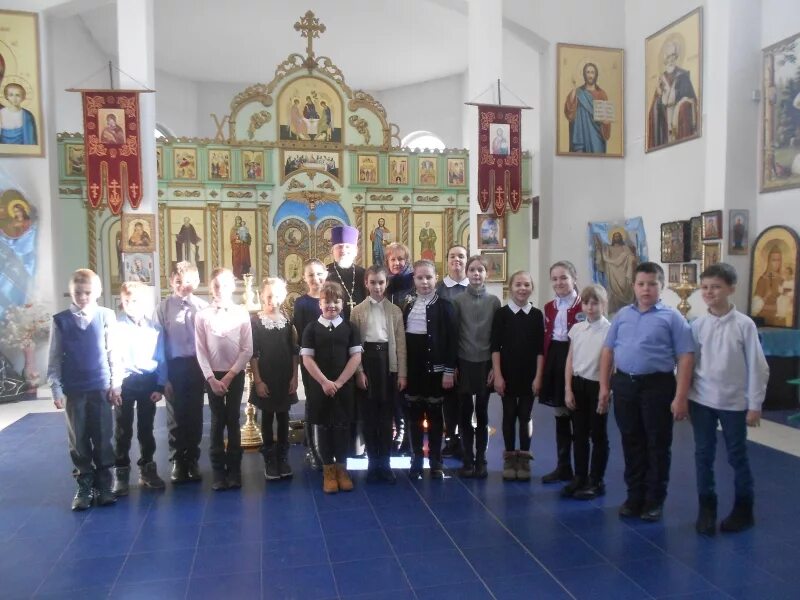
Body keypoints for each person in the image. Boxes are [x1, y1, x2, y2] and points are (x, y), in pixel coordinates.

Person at [599, 262, 695, 522]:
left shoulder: (672, 317)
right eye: (641, 284)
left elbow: (685, 357)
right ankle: (634, 496)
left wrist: (680, 396)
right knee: (631, 441)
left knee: (657, 444)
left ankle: (654, 500)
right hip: (625, 384)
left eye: (652, 284)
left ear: (661, 287)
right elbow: (608, 351)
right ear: (634, 286)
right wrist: (604, 387)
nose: (646, 289)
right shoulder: (622, 316)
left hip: (657, 386)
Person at [689, 263, 769, 535]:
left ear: (731, 289)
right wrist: (682, 395)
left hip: (734, 403)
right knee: (703, 454)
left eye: (716, 287)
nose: (709, 292)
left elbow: (758, 366)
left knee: (737, 456)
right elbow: (689, 363)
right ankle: (707, 508)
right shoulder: (698, 325)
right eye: (705, 287)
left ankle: (744, 509)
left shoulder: (744, 325)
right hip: (701, 400)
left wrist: (754, 404)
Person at [47, 269, 123, 510]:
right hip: (74, 389)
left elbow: (114, 353)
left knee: (102, 436)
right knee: (78, 439)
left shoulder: (106, 316)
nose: (83, 297)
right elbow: (55, 358)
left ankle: (104, 483)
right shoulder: (60, 320)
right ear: (71, 292)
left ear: (98, 293)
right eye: (78, 292)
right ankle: (84, 484)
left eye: (88, 292)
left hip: (100, 387)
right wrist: (56, 389)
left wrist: (116, 383)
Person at [301, 282, 362, 493]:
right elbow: (307, 359)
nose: (332, 305)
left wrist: (340, 382)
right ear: (320, 304)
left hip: (344, 387)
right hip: (320, 387)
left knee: (343, 427)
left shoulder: (350, 328)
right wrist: (325, 382)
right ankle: (328, 470)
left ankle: (342, 469)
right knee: (324, 428)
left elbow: (355, 357)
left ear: (342, 303)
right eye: (327, 301)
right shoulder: (311, 329)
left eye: (336, 301)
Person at [195, 268, 253, 491]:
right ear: (211, 287)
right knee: (217, 420)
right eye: (217, 285)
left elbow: (247, 349)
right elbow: (201, 350)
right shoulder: (203, 315)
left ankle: (235, 470)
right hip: (213, 376)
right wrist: (211, 378)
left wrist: (229, 377)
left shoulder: (241, 313)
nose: (221, 290)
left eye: (225, 285)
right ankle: (218, 470)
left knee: (233, 419)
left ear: (233, 287)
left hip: (234, 374)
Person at [351, 265, 407, 483]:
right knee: (369, 417)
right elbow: (355, 346)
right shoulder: (357, 311)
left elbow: (401, 346)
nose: (377, 287)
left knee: (386, 417)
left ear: (387, 284)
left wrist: (402, 373)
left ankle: (385, 464)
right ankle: (373, 463)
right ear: (366, 283)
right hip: (367, 364)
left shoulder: (395, 311)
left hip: (387, 365)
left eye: (381, 282)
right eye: (373, 282)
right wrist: (359, 372)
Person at [402, 259, 457, 479]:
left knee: (435, 417)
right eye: (420, 277)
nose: (424, 282)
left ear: (436, 278)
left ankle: (436, 461)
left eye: (428, 277)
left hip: (436, 370)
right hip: (414, 370)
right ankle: (416, 458)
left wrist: (449, 370)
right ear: (413, 279)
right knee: (414, 416)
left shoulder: (445, 307)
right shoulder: (407, 305)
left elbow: (452, 341)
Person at [112, 281, 168, 496]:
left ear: (146, 303)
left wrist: (160, 385)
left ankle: (147, 467)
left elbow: (161, 358)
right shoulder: (116, 326)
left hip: (147, 382)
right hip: (125, 382)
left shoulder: (155, 329)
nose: (131, 305)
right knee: (122, 429)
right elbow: (112, 357)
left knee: (146, 428)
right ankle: (121, 471)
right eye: (126, 301)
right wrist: (114, 385)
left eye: (135, 301)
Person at [155, 261, 207, 484]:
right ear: (171, 282)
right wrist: (163, 377)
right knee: (175, 415)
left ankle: (192, 459)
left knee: (195, 414)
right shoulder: (163, 308)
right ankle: (177, 460)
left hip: (196, 366)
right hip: (174, 367)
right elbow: (158, 345)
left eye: (187, 282)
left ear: (195, 282)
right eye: (178, 282)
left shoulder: (203, 307)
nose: (182, 286)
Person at [491, 271, 544, 481]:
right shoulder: (502, 314)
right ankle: (509, 457)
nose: (522, 288)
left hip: (529, 374)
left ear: (532, 288)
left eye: (527, 285)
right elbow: (495, 347)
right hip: (508, 373)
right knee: (509, 414)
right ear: (510, 288)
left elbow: (540, 349)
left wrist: (538, 377)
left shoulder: (537, 315)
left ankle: (524, 457)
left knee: (525, 415)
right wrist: (498, 375)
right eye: (518, 284)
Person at [453, 256, 501, 478]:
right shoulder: (458, 301)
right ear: (466, 272)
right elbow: (455, 334)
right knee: (464, 414)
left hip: (484, 364)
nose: (476, 274)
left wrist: (494, 366)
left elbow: (496, 337)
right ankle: (467, 459)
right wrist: (454, 365)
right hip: (464, 362)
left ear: (486, 274)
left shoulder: (494, 302)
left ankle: (481, 459)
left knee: (482, 413)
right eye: (472, 270)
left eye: (480, 270)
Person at [562, 284, 611, 499]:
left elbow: (609, 364)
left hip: (596, 386)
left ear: (603, 305)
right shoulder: (577, 328)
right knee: (579, 434)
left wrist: (604, 390)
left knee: (598, 435)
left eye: (595, 303)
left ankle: (596, 480)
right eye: (586, 303)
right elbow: (570, 359)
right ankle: (580, 476)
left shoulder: (610, 330)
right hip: (578, 384)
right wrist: (568, 388)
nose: (590, 307)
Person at [251, 277, 299, 481]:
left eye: (277, 296)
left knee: (283, 417)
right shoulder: (256, 321)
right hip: (266, 378)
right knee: (268, 417)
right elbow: (253, 354)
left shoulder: (288, 321)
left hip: (284, 377)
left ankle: (282, 456)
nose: (273, 300)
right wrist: (258, 381)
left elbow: (294, 351)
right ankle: (269, 458)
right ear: (262, 296)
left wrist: (295, 377)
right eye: (269, 296)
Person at [540, 261, 582, 485]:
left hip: (577, 360)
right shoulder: (549, 307)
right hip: (555, 359)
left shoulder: (584, 305)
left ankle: (581, 471)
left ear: (574, 278)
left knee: (579, 415)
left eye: (564, 278)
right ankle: (563, 466)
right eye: (555, 279)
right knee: (560, 414)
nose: (559, 282)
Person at [293, 259, 327, 470]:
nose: (316, 279)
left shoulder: (332, 298)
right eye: (311, 275)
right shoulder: (302, 303)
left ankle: (328, 444)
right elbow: (300, 336)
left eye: (319, 274)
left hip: (333, 360)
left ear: (326, 274)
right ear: (305, 278)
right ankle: (313, 448)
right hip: (311, 360)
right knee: (313, 402)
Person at [435, 244, 469, 458]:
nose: (457, 259)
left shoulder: (472, 287)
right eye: (453, 256)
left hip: (468, 354)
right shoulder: (439, 288)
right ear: (447, 260)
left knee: (465, 400)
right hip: (446, 353)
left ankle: (465, 441)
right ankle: (450, 440)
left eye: (462, 256)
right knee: (447, 400)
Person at [383, 242, 415, 456]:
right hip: (386, 345)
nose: (397, 263)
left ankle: (404, 434)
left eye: (400, 259)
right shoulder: (384, 284)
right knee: (391, 392)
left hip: (409, 346)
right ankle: (394, 431)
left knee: (405, 393)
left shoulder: (413, 284)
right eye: (393, 259)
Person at [647, 41, 698, 150]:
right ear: (664, 59)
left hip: (679, 123)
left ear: (676, 57)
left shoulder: (683, 76)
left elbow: (691, 100)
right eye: (668, 57)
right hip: (664, 125)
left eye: (673, 56)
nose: (670, 60)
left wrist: (679, 107)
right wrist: (659, 99)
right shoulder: (662, 79)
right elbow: (653, 110)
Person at [564, 62, 611, 153]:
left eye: (592, 72)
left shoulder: (602, 94)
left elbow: (606, 120)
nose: (590, 75)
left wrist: (606, 123)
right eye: (588, 72)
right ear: (584, 74)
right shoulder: (578, 92)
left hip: (597, 139)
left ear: (596, 75)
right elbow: (569, 113)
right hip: (580, 138)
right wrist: (573, 91)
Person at [326, 225, 367, 320]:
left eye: (348, 247)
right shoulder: (325, 273)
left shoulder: (364, 273)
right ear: (332, 251)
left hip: (361, 322)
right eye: (339, 247)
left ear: (355, 251)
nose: (343, 250)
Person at [593, 229, 637, 313]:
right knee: (613, 294)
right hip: (612, 273)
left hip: (623, 274)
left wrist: (629, 259)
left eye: (618, 236)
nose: (617, 238)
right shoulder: (608, 248)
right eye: (615, 236)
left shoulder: (625, 248)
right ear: (612, 238)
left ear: (621, 238)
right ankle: (613, 311)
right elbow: (602, 259)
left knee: (626, 288)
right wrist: (599, 249)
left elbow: (632, 258)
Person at [752, 246, 785, 326]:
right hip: (764, 316)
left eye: (778, 260)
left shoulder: (781, 279)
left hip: (778, 318)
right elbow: (755, 302)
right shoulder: (763, 279)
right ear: (769, 261)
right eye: (774, 260)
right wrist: (766, 296)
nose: (777, 263)